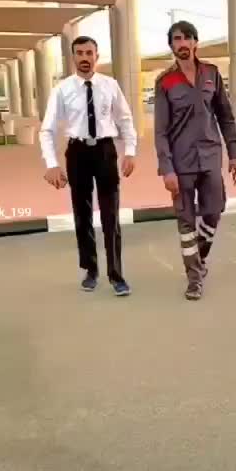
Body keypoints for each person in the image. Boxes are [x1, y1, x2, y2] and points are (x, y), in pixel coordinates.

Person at [39, 35, 136, 296]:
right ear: (73, 57)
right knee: (82, 215)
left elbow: (125, 120)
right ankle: (90, 270)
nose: (85, 58)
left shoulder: (110, 85)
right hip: (78, 153)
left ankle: (116, 274)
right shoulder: (62, 90)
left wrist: (130, 152)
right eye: (80, 53)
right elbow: (47, 130)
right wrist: (51, 164)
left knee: (110, 214)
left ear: (97, 56)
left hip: (105, 151)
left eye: (89, 53)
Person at [154, 20, 236, 301]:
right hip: (181, 162)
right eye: (176, 39)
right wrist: (166, 169)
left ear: (195, 42)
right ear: (171, 46)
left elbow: (225, 116)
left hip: (210, 156)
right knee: (186, 221)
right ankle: (194, 278)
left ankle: (199, 257)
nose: (182, 43)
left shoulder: (211, 74)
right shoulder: (165, 81)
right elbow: (160, 131)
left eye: (186, 38)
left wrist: (234, 154)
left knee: (214, 210)